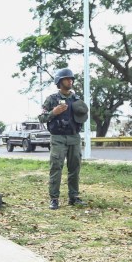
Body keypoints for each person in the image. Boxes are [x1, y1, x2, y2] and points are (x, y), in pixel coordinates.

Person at [39, 68, 88, 210]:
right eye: (67, 79)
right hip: (58, 138)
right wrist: (53, 112)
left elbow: (83, 116)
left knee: (75, 168)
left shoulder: (76, 100)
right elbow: (41, 117)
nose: (70, 81)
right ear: (59, 82)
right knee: (56, 167)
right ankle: (54, 198)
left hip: (74, 137)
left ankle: (74, 197)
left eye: (71, 79)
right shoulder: (51, 99)